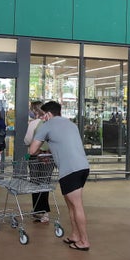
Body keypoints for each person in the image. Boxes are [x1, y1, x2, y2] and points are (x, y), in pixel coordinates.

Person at [28, 101, 91, 251]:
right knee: (70, 205)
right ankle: (75, 235)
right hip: (82, 167)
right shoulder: (71, 124)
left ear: (49, 114)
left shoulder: (47, 126)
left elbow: (32, 150)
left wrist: (40, 153)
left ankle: (84, 241)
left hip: (70, 170)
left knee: (76, 205)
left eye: (43, 115)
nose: (42, 118)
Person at [23, 101, 51, 222]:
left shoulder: (34, 123)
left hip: (36, 156)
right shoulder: (51, 123)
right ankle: (44, 212)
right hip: (49, 157)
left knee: (35, 183)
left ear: (35, 111)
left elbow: (27, 140)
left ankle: (38, 210)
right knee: (45, 182)